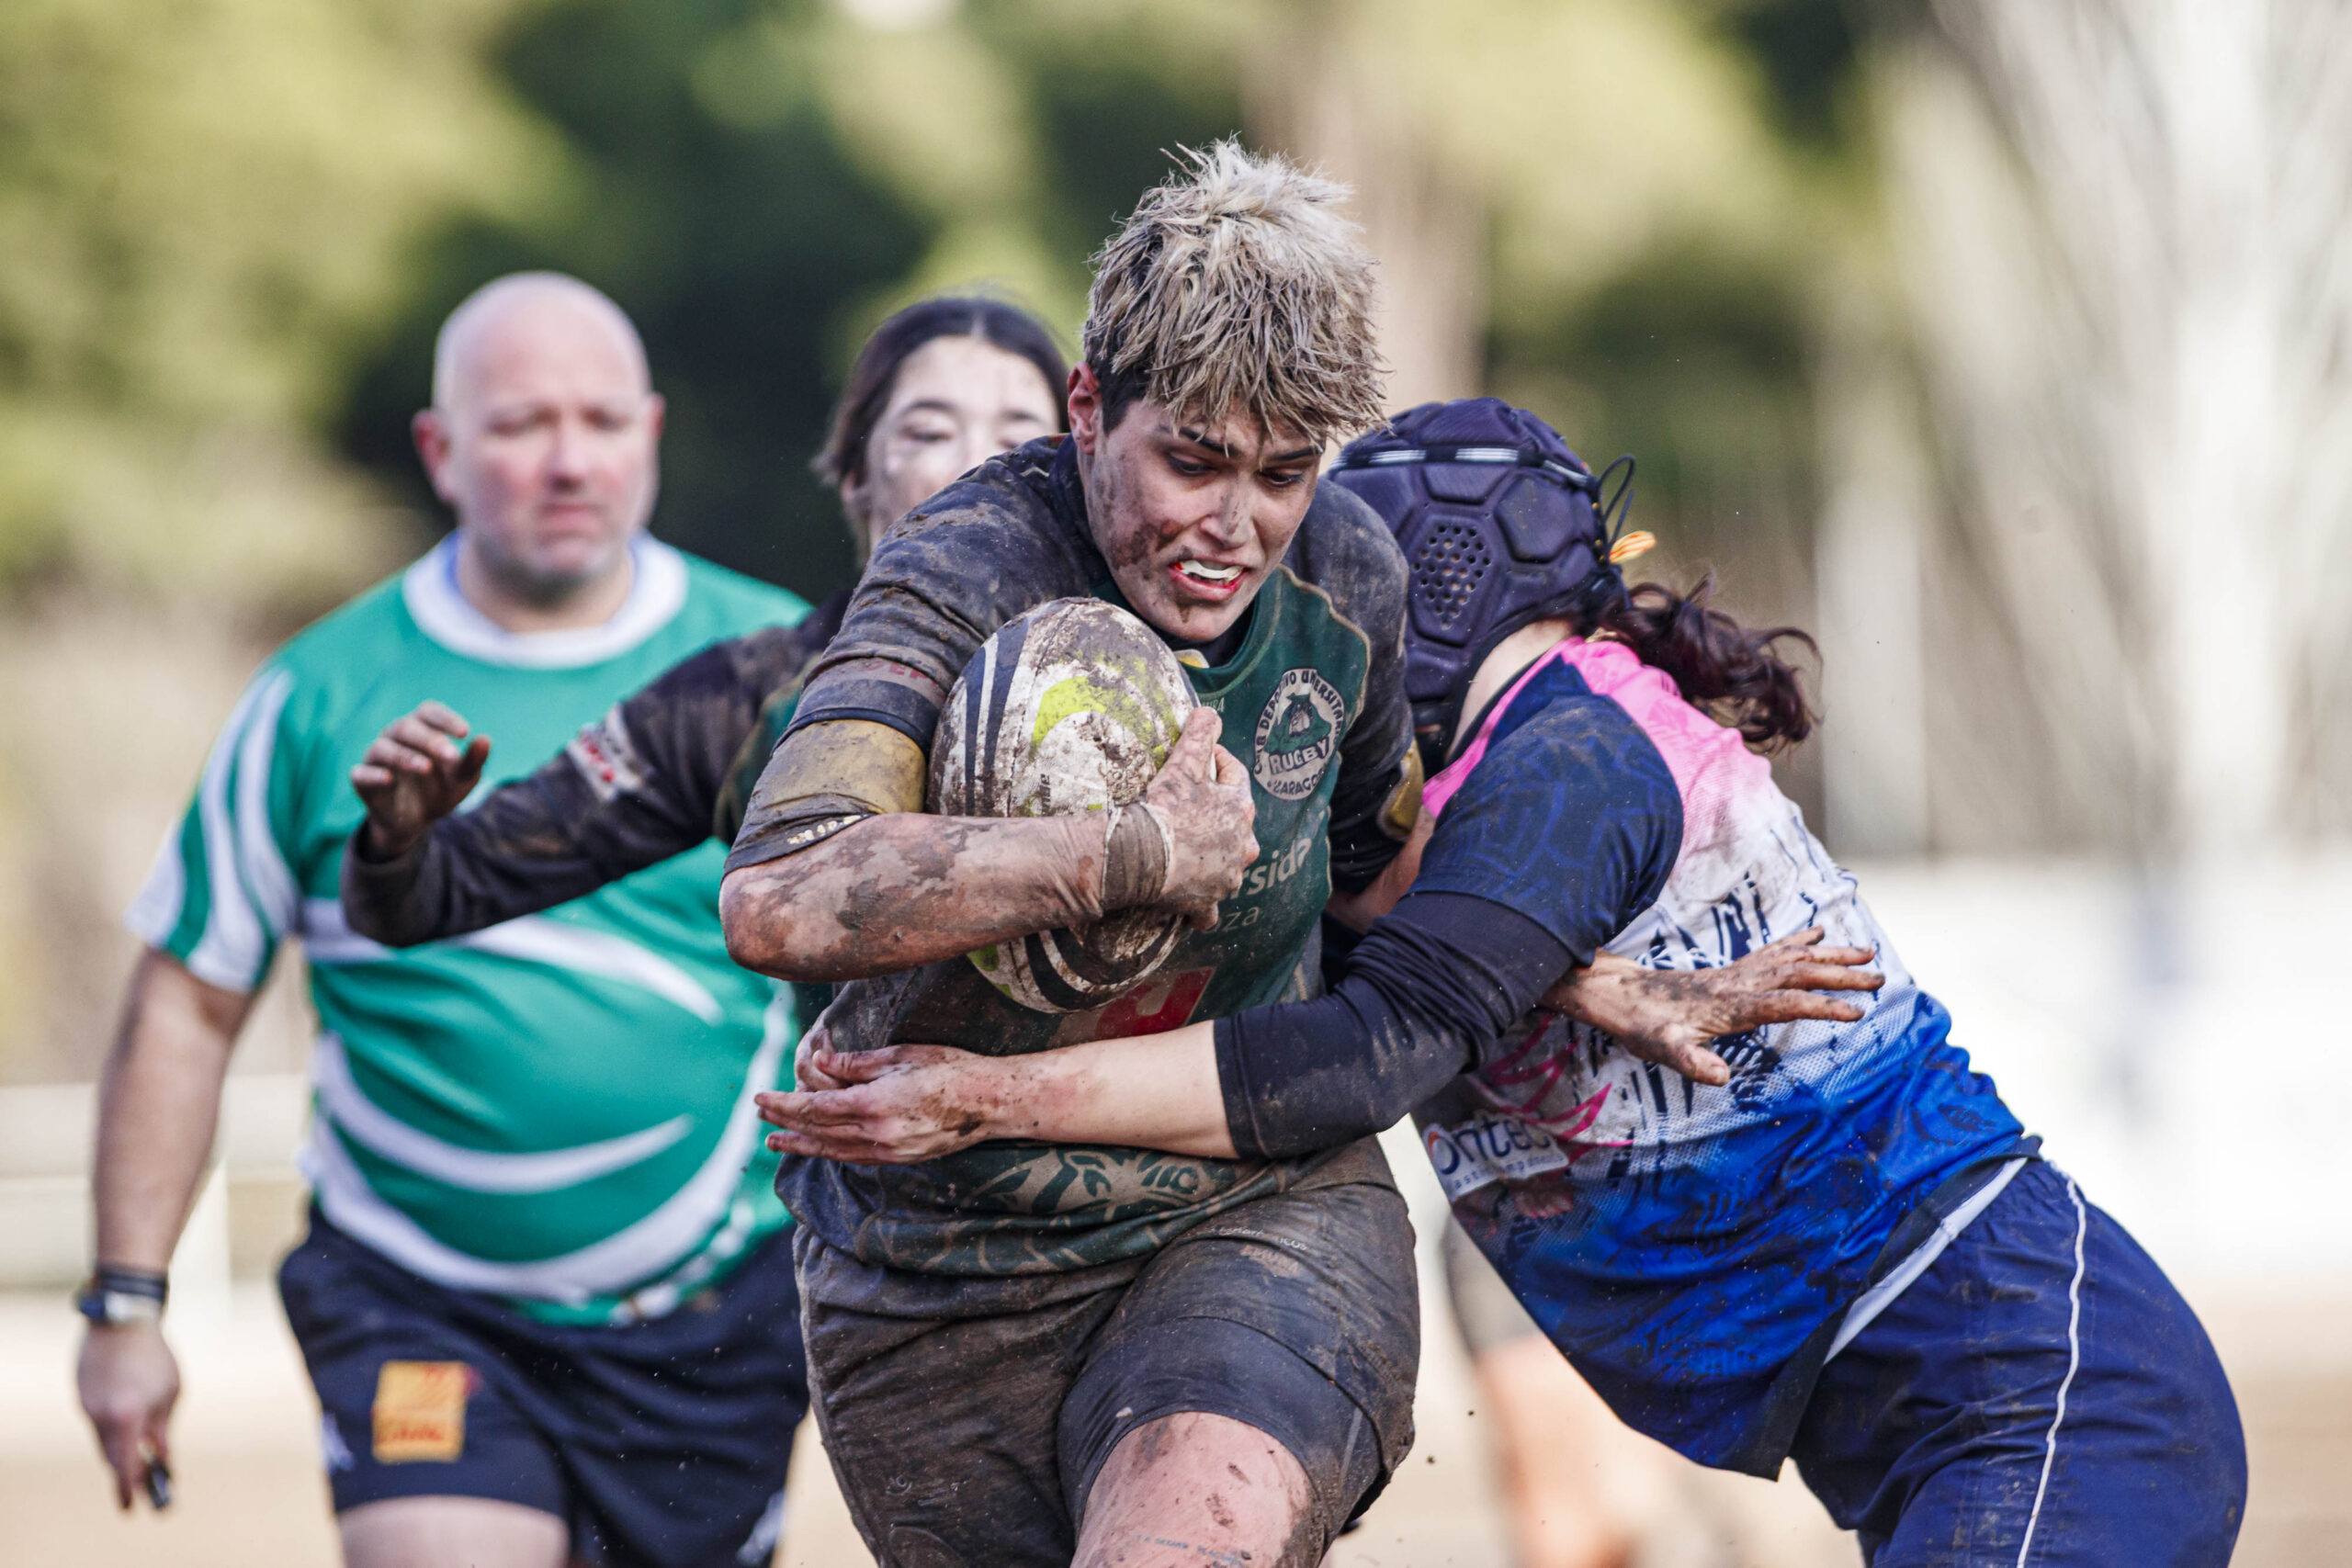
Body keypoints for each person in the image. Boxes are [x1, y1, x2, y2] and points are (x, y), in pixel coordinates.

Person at [759, 399, 2249, 1567]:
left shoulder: (1572, 746)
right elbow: (1380, 942)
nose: (1294, 582)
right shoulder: (1458, 803)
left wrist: (981, 1094)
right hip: (1950, 1401)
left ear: (1435, 569)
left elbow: (1352, 1054)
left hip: (2038, 1387)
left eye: (1324, 534)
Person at [78, 273, 820, 1568]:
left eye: (601, 419)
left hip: (712, 1311)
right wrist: (127, 1303)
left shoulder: (780, 666)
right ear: (441, 449)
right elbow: (189, 1003)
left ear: (652, 430)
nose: (569, 459)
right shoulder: (315, 693)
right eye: (523, 424)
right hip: (418, 1294)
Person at [341, 294, 1069, 962]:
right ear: (857, 475)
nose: (984, 464)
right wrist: (397, 840)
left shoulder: (1158, 639)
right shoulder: (756, 698)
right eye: (931, 431)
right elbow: (431, 893)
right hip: (879, 1106)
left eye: (1022, 434)